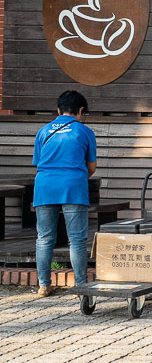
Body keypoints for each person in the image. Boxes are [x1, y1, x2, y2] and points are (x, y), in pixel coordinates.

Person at [31, 90, 97, 297]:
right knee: (76, 239)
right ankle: (79, 287)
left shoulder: (43, 131)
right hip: (73, 186)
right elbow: (92, 166)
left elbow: (38, 163)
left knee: (44, 238)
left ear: (58, 110)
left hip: (45, 186)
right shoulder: (84, 131)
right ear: (80, 111)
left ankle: (44, 285)